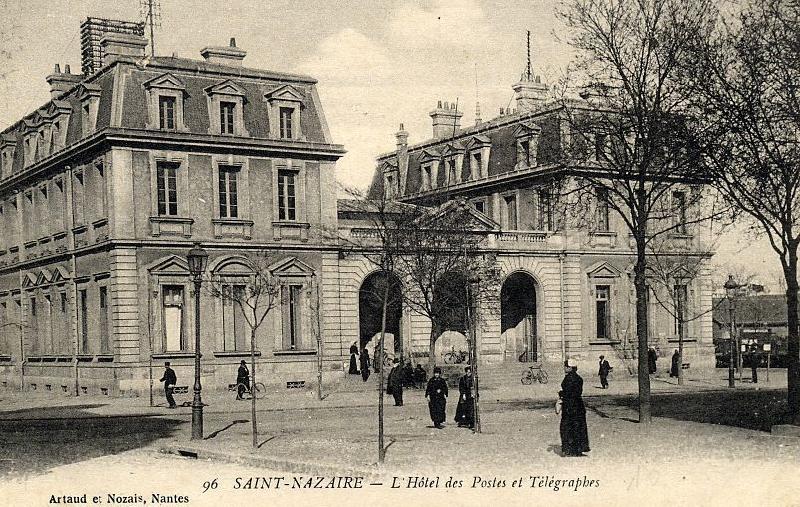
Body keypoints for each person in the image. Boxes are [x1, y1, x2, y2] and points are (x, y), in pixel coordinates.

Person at [559, 358, 590, 457]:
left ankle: (569, 449)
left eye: (566, 366)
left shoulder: (568, 378)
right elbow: (577, 392)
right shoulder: (579, 378)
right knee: (578, 427)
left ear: (570, 368)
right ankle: (578, 449)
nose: (564, 368)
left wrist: (561, 393)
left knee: (567, 427)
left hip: (569, 406)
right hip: (578, 405)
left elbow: (569, 393)